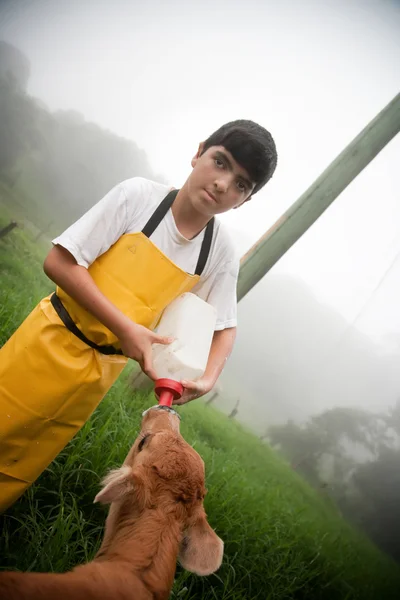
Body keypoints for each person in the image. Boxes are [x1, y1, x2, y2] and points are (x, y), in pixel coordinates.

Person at [0, 119, 277, 511]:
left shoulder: (218, 253)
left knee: (20, 465)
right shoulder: (138, 198)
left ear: (244, 200)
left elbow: (224, 327)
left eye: (241, 184)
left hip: (98, 375)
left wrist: (208, 379)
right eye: (221, 162)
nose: (223, 184)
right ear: (199, 152)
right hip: (50, 338)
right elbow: (60, 262)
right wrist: (125, 328)